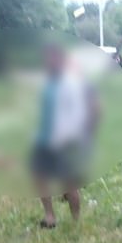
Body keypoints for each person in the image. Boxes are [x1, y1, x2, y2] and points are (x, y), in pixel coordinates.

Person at [32, 43, 97, 228]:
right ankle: (49, 216)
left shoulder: (72, 83)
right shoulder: (44, 82)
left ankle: (75, 220)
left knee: (69, 183)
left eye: (52, 58)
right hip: (43, 138)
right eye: (46, 58)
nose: (48, 62)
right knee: (40, 177)